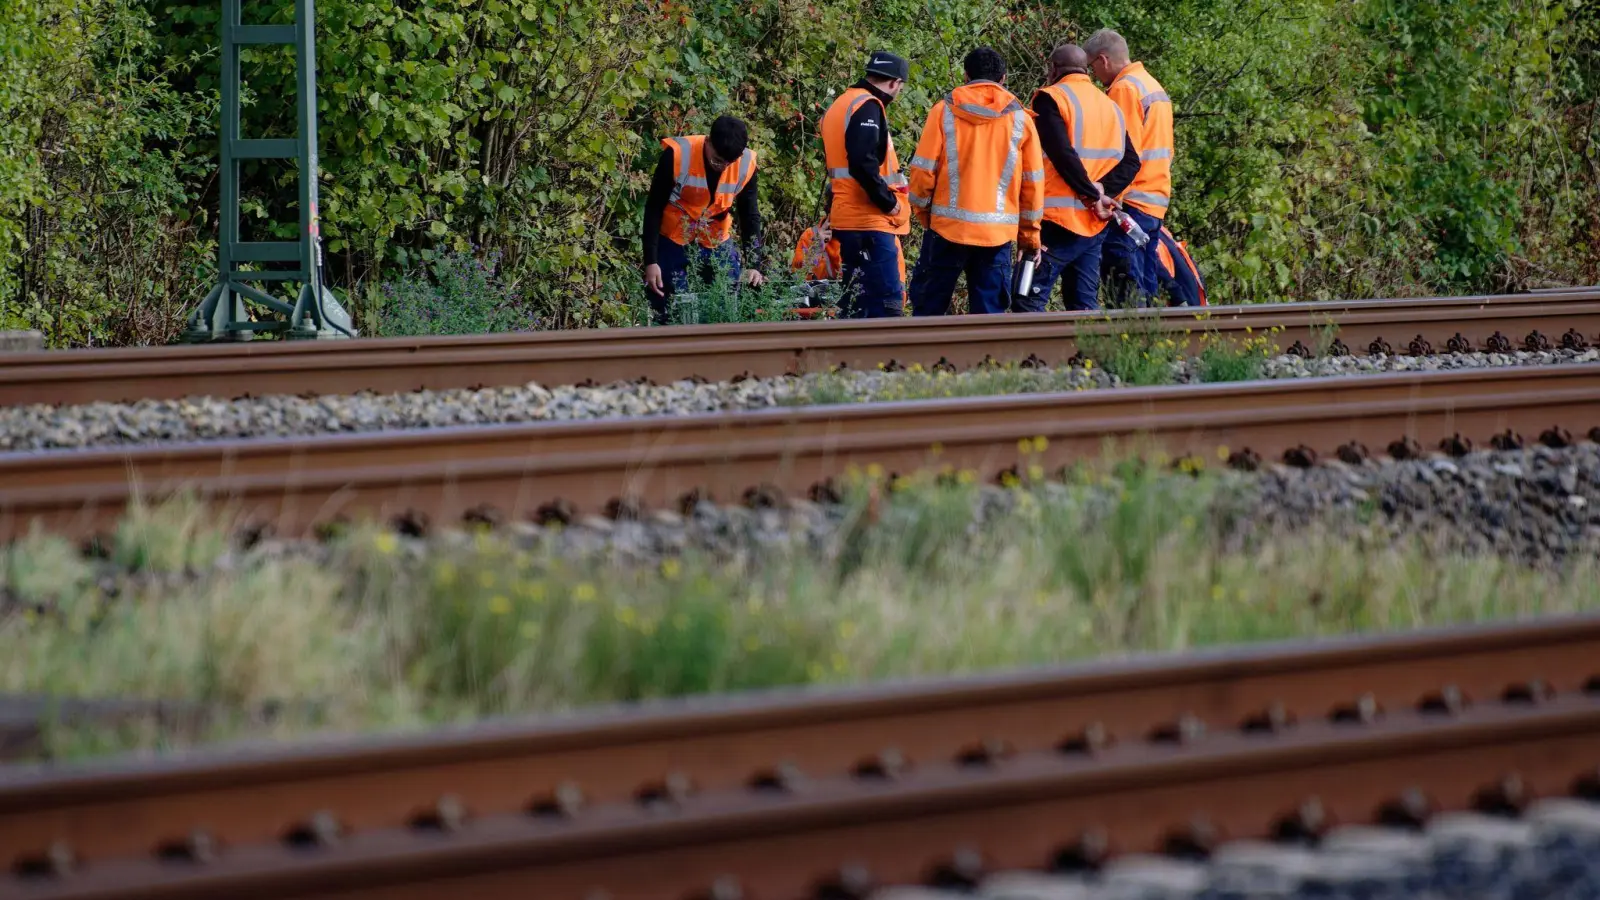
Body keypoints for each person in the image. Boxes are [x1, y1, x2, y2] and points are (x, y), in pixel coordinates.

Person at [906, 47, 1045, 316]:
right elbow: (1033, 185)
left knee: (928, 310)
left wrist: (924, 214)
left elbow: (923, 171)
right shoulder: (1021, 120)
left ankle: (922, 358)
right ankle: (985, 359)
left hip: (946, 229)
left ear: (966, 75)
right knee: (989, 317)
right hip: (996, 235)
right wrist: (1029, 237)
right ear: (1003, 78)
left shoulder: (943, 112)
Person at [1015, 43, 1142, 313]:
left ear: (1053, 69)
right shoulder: (1110, 106)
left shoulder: (1050, 98)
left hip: (1056, 221)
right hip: (1094, 225)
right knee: (1082, 306)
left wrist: (1092, 193)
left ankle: (1031, 356)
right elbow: (1132, 162)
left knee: (1025, 298)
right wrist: (1102, 191)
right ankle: (1087, 356)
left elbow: (1063, 155)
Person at [641, 116, 766, 325]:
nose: (723, 167)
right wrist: (651, 261)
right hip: (673, 237)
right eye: (717, 160)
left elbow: (749, 215)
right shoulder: (678, 155)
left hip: (716, 238)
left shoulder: (746, 163)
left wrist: (754, 264)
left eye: (730, 162)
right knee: (664, 301)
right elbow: (653, 207)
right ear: (707, 142)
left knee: (728, 300)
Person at [820, 51, 914, 318]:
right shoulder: (868, 105)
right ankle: (885, 359)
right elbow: (862, 163)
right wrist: (890, 203)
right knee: (887, 304)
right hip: (870, 221)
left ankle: (855, 359)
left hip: (848, 219)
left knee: (856, 306)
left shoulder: (841, 103)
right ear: (895, 83)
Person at [1084, 28, 1173, 306]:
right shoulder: (1151, 84)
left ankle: (1129, 343)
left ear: (1103, 60)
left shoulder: (1124, 89)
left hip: (1131, 202)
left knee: (1125, 289)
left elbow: (1124, 153)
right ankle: (1147, 346)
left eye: (1092, 67)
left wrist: (1109, 199)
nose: (1093, 75)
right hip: (1154, 200)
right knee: (1145, 287)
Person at [1154, 225, 1206, 306]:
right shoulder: (1144, 232)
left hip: (1192, 301)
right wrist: (1179, 298)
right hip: (1175, 306)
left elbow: (1186, 261)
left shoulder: (1160, 229)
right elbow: (1158, 270)